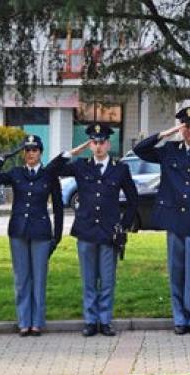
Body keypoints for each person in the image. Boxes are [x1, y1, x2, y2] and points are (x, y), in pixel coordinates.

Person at [132, 106, 190, 335]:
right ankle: (179, 318)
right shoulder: (170, 150)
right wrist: (166, 133)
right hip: (174, 220)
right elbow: (139, 149)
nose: (189, 130)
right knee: (176, 272)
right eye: (185, 126)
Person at [54, 123, 138, 336]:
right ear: (90, 144)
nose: (98, 146)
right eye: (94, 142)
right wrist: (74, 151)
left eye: (101, 142)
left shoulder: (120, 168)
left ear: (108, 144)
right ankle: (91, 321)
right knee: (89, 279)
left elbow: (133, 199)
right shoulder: (81, 166)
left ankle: (105, 320)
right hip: (86, 230)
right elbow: (52, 169)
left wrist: (124, 224)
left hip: (109, 231)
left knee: (107, 280)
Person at [0, 135, 64, 336]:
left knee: (39, 279)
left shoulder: (49, 175)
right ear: (23, 153)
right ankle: (23, 321)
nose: (31, 154)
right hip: (18, 231)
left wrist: (57, 236)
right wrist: (1, 159)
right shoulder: (16, 173)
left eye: (35, 150)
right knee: (22, 279)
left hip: (41, 232)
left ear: (41, 152)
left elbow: (58, 207)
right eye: (27, 150)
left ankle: (37, 322)